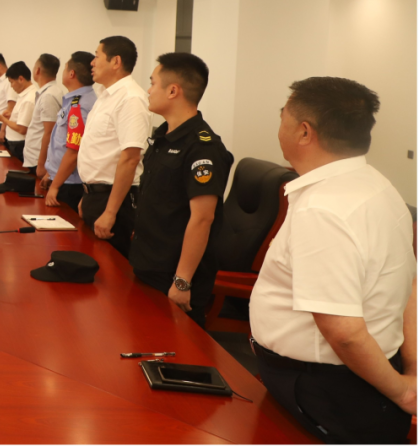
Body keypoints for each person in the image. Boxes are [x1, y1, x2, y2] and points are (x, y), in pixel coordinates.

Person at [250, 77, 416, 443]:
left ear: (304, 132)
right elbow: (409, 284)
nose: (279, 124)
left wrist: (404, 391)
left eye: (283, 115)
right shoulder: (380, 186)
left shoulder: (322, 209)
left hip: (328, 391)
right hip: (363, 381)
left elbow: (345, 333)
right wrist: (412, 368)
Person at [128, 53, 233, 328]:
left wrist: (182, 281)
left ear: (173, 90)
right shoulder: (163, 135)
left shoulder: (202, 147)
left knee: (176, 345)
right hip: (147, 262)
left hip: (173, 274)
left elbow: (203, 218)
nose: (148, 90)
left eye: (153, 83)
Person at [77, 35, 151, 258]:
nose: (92, 62)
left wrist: (110, 212)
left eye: (97, 56)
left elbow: (130, 158)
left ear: (116, 61)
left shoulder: (131, 99)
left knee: (109, 270)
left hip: (115, 201)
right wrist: (87, 194)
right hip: (96, 196)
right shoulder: (105, 96)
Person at [41, 52, 98, 209]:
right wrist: (51, 173)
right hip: (62, 178)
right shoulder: (74, 100)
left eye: (65, 68)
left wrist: (55, 185)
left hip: (69, 184)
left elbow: (73, 152)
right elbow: (60, 144)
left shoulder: (79, 105)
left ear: (71, 74)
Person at [21, 53, 65, 172]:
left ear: (37, 70)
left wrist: (41, 164)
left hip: (38, 160)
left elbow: (49, 132)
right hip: (34, 158)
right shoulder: (48, 92)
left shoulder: (48, 96)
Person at [0, 61, 36, 162]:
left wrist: (3, 119)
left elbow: (22, 129)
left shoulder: (28, 98)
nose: (11, 86)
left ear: (21, 79)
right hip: (16, 143)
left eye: (11, 82)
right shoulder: (24, 94)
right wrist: (11, 115)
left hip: (19, 144)